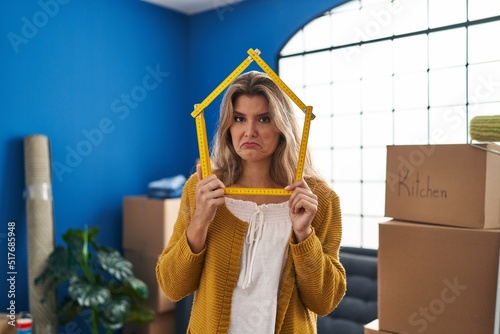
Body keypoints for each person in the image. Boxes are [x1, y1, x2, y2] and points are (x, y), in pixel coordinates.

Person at [156, 71, 346, 333]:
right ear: (227, 126)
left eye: (264, 119)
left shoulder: (318, 199)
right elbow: (172, 286)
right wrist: (200, 220)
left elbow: (325, 301)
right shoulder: (201, 190)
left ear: (281, 127)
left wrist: (304, 235)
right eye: (239, 119)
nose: (250, 131)